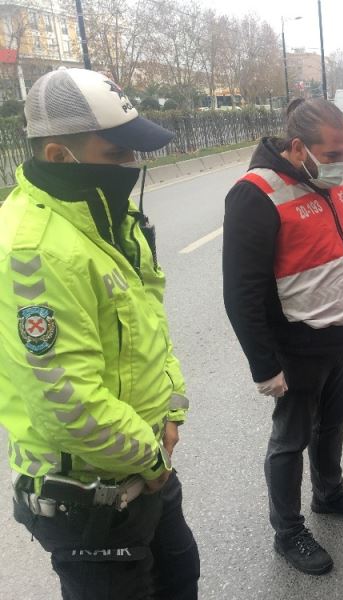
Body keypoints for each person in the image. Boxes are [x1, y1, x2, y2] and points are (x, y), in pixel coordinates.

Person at [0, 68, 199, 599]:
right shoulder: (36, 250)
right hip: (88, 497)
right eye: (118, 155)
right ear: (59, 155)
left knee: (180, 575)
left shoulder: (108, 218)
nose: (133, 167)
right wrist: (152, 459)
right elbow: (67, 405)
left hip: (142, 468)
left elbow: (149, 325)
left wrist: (172, 410)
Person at [222, 97, 343, 576]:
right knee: (291, 439)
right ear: (297, 147)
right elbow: (242, 292)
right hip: (297, 345)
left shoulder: (333, 181)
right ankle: (288, 530)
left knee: (334, 419)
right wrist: (264, 365)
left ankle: (329, 493)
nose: (341, 163)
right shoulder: (256, 194)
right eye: (332, 154)